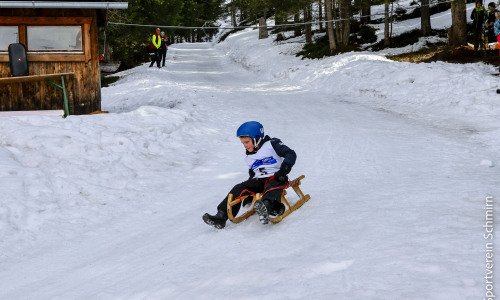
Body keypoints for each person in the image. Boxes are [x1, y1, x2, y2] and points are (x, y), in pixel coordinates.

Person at [202, 121, 296, 229]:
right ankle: (221, 216)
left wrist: (284, 171)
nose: (245, 145)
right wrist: (248, 195)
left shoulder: (272, 144)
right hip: (259, 180)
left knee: (271, 186)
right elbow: (252, 175)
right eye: (243, 143)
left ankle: (269, 207)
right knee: (239, 188)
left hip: (277, 176)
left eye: (247, 142)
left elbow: (291, 154)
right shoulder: (249, 157)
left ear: (256, 138)